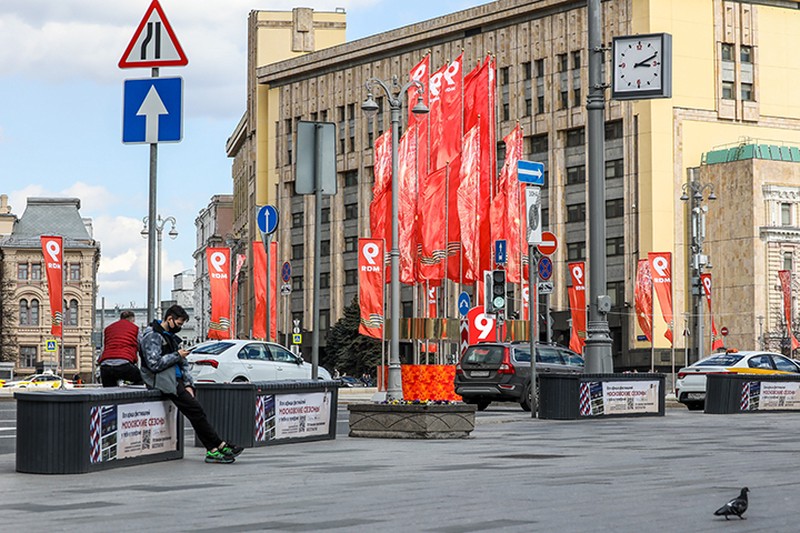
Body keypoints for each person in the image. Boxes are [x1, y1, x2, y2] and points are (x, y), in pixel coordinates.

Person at [139, 305, 243, 464]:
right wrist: (176, 355)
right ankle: (214, 448)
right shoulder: (153, 336)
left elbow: (183, 362)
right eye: (179, 324)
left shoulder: (168, 335)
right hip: (165, 381)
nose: (180, 328)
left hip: (175, 380)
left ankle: (217, 447)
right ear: (169, 319)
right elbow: (154, 364)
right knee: (196, 411)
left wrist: (188, 383)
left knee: (196, 412)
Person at [98, 310, 144, 387]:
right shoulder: (135, 329)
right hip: (124, 364)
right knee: (140, 379)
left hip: (105, 366)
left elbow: (104, 348)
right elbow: (142, 347)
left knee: (108, 394)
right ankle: (131, 398)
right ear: (132, 320)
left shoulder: (108, 329)